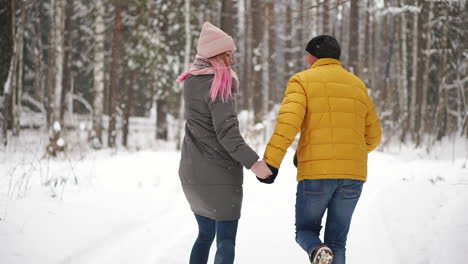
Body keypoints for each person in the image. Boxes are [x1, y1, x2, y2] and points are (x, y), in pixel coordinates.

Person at [261, 35, 382, 264]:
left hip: (316, 175)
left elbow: (287, 126)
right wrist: (350, 152)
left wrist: (270, 163)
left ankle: (316, 250)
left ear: (312, 56)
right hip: (353, 176)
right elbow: (374, 137)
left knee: (305, 231)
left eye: (306, 54)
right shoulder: (357, 84)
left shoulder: (302, 81)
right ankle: (323, 252)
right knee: (338, 242)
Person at [177, 22, 272, 264]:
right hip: (219, 177)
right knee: (226, 241)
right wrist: (257, 165)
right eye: (228, 54)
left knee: (204, 235)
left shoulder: (191, 81)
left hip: (191, 174)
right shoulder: (219, 85)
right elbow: (228, 135)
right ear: (216, 55)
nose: (232, 59)